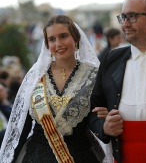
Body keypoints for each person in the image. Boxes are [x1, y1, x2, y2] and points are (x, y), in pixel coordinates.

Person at [0, 15, 105, 163]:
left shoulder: (94, 74)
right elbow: (22, 125)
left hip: (81, 155)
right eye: (52, 39)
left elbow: (97, 117)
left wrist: (105, 126)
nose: (58, 44)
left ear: (75, 38)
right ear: (47, 45)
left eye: (63, 36)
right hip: (36, 155)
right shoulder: (36, 76)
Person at [88, 0, 146, 163]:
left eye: (132, 16)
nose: (125, 23)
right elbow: (92, 109)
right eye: (123, 17)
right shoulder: (111, 59)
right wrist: (104, 127)